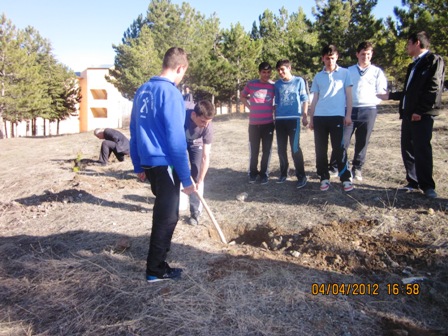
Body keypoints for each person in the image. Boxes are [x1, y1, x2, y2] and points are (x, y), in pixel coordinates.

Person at [129, 47, 195, 282]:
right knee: (167, 217)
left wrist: (138, 164)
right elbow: (176, 142)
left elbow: (134, 130)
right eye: (183, 73)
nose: (181, 78)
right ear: (180, 68)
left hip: (149, 164)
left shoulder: (142, 90)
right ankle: (155, 270)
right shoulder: (171, 93)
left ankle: (158, 264)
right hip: (165, 164)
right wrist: (187, 179)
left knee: (165, 214)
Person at [378, 31, 445, 198]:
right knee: (407, 148)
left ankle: (427, 186)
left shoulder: (433, 61)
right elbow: (409, 92)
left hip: (421, 115)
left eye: (408, 43)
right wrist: (391, 96)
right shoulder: (413, 65)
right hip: (408, 115)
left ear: (417, 43)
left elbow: (433, 88)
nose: (406, 47)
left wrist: (420, 111)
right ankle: (413, 181)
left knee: (422, 149)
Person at [329, 42, 388, 181]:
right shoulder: (348, 71)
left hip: (368, 110)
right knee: (342, 140)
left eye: (368, 54)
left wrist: (372, 101)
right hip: (349, 110)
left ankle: (357, 168)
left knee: (362, 141)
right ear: (357, 54)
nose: (365, 57)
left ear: (371, 55)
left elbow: (382, 91)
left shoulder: (377, 72)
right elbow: (340, 89)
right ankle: (335, 167)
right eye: (362, 54)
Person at [309, 44, 354, 192]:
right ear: (323, 59)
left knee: (339, 148)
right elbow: (314, 98)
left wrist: (348, 115)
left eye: (333, 58)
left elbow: (349, 96)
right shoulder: (318, 76)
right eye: (327, 58)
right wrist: (312, 118)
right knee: (320, 149)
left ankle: (345, 178)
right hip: (320, 117)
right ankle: (324, 177)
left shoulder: (345, 73)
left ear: (337, 57)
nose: (330, 61)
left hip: (337, 117)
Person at [274, 59, 309, 188]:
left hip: (294, 119)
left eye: (282, 69)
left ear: (289, 68)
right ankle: (283, 173)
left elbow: (305, 99)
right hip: (280, 120)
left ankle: (301, 176)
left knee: (295, 148)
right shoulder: (277, 85)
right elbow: (276, 103)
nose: (280, 72)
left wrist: (304, 116)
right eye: (278, 70)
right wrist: (274, 118)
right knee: (281, 149)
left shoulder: (299, 81)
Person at [241, 62, 275, 185]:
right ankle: (253, 173)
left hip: (268, 124)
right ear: (259, 72)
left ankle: (264, 174)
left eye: (268, 72)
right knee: (254, 150)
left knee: (267, 150)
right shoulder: (252, 84)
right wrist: (250, 107)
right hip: (254, 124)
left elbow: (278, 102)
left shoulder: (273, 86)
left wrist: (273, 109)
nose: (266, 75)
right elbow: (243, 96)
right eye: (263, 72)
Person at [185, 100, 216, 226]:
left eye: (207, 122)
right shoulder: (180, 117)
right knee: (177, 172)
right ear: (193, 115)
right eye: (202, 121)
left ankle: (195, 212)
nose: (204, 125)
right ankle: (173, 207)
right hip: (178, 141)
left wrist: (200, 181)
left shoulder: (207, 128)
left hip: (195, 143)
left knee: (197, 173)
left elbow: (205, 156)